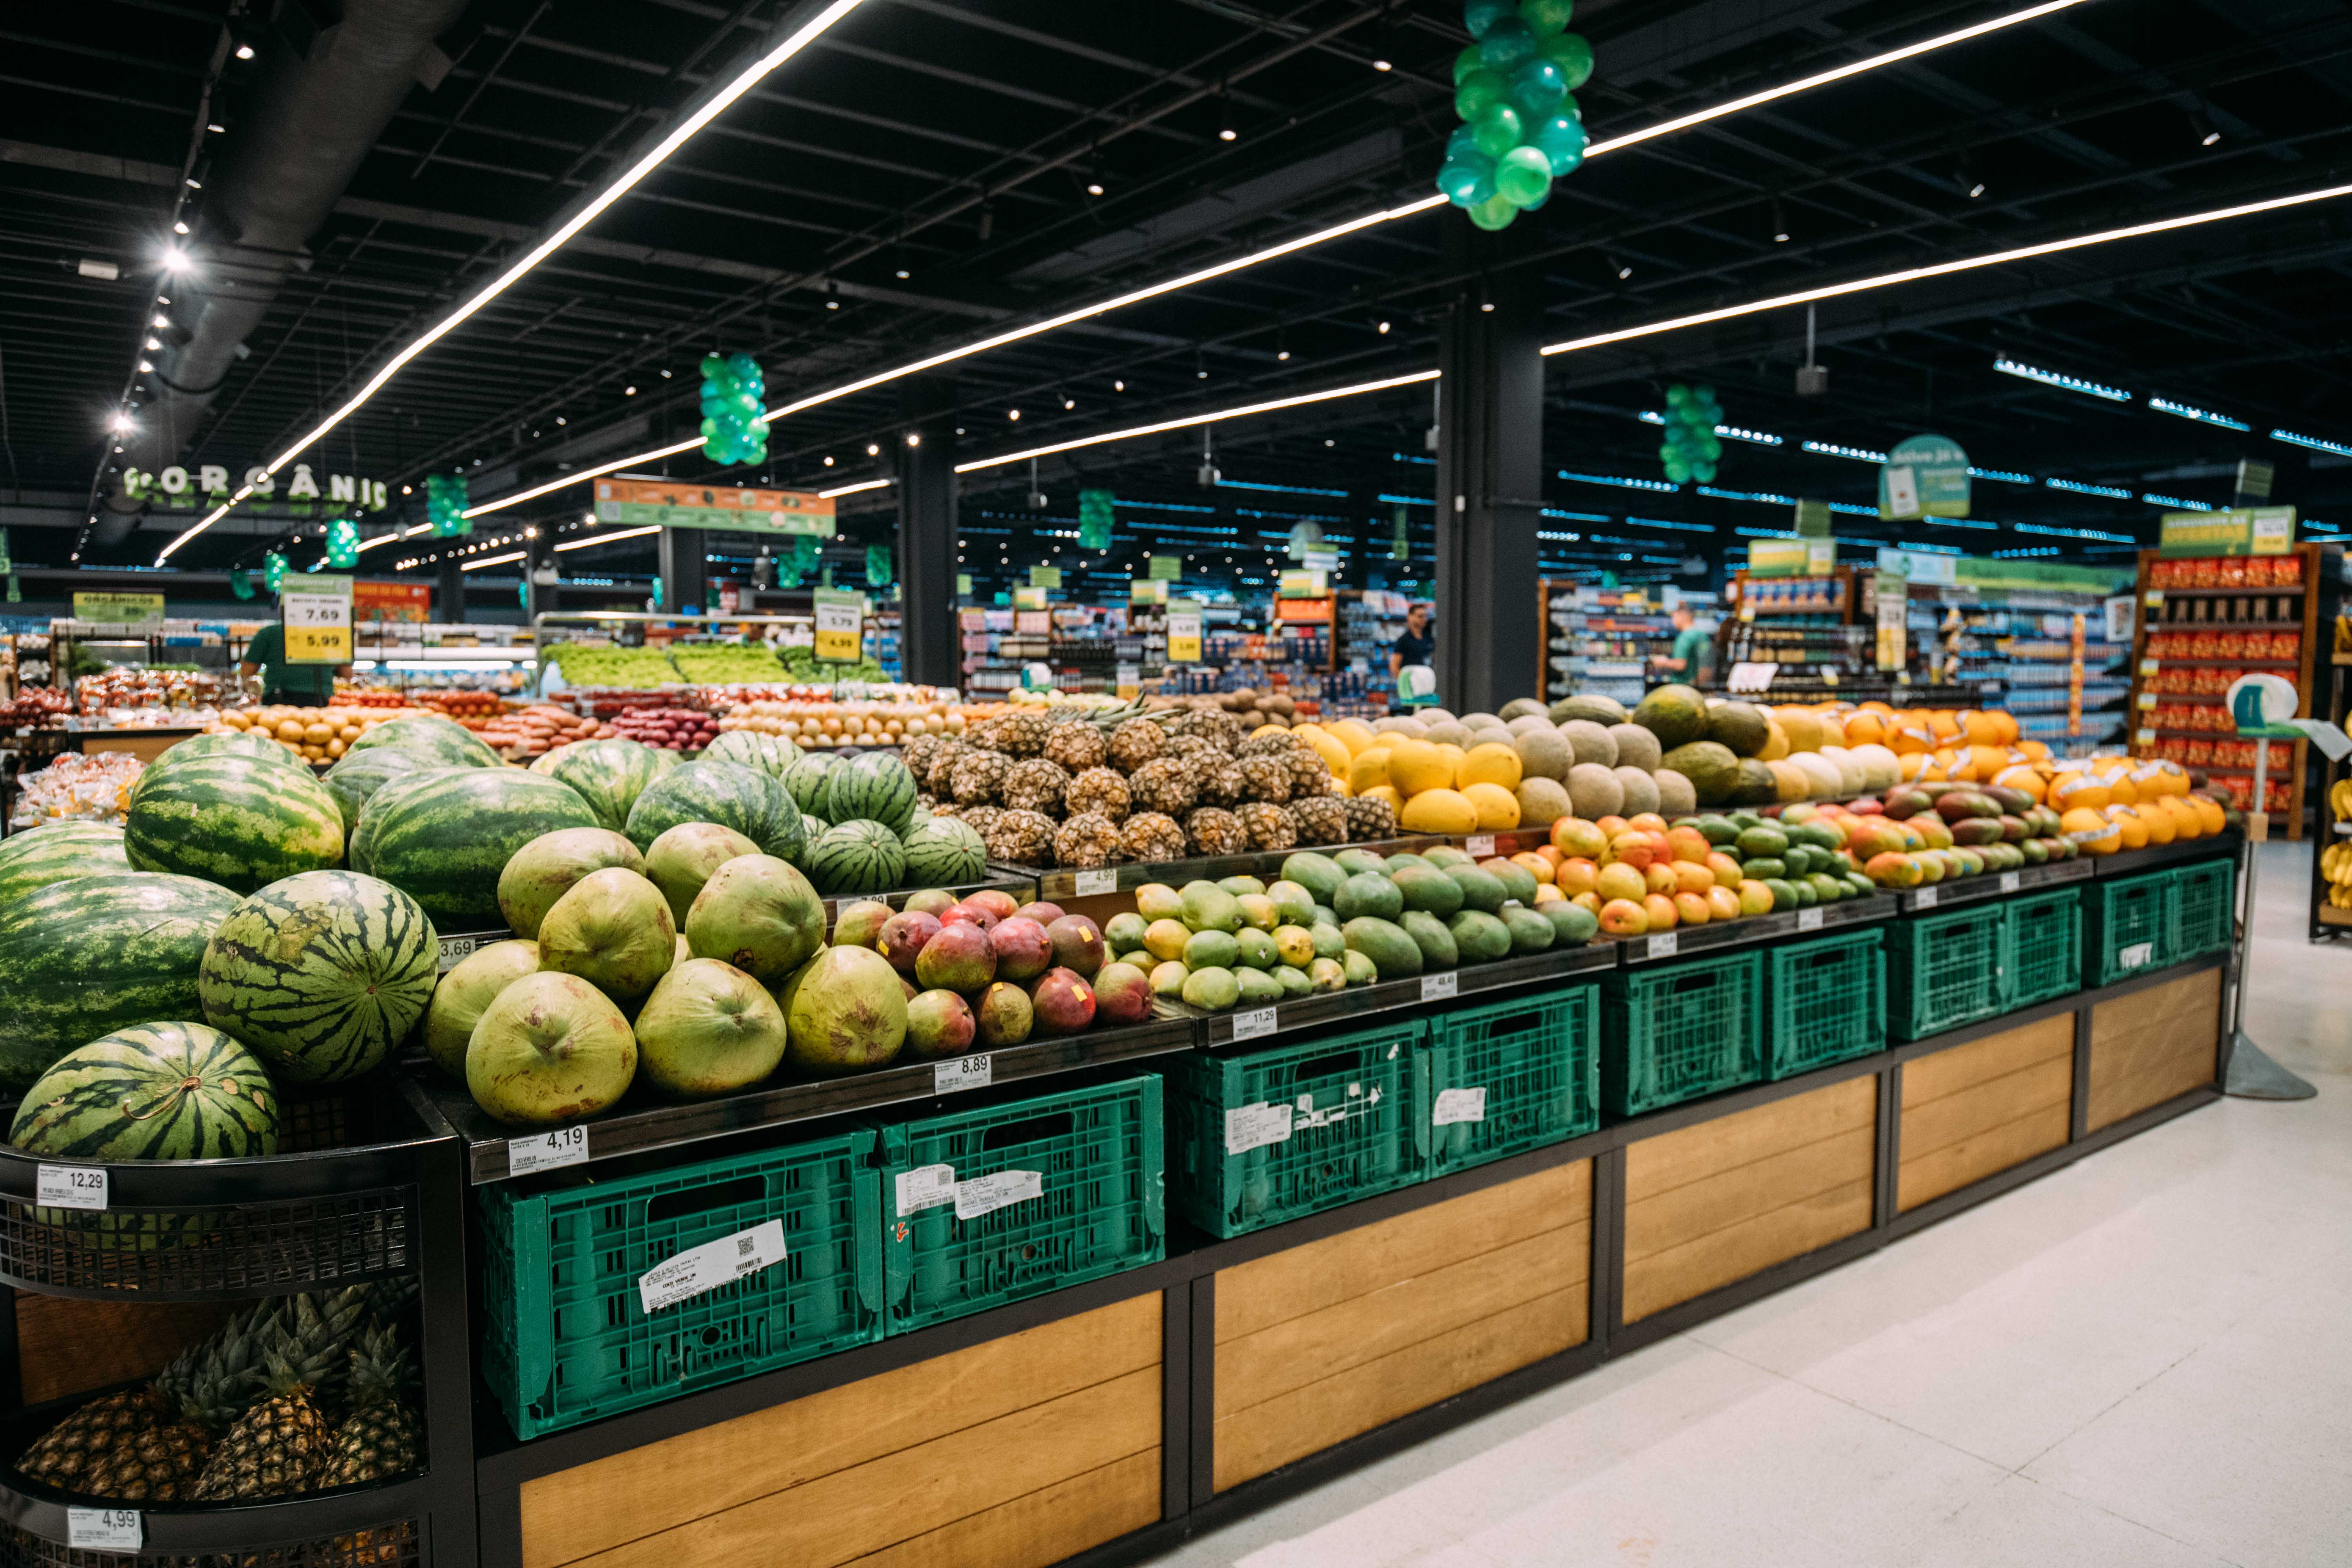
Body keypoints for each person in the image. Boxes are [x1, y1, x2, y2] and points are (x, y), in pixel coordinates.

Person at [238, 622, 347, 708]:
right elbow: (347, 673)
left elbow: (247, 670)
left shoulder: (269, 633)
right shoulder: (331, 634)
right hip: (322, 700)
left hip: (278, 701)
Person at [1651, 606, 1714, 683]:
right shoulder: (1703, 636)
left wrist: (1664, 662)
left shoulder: (1684, 638)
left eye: (1674, 617)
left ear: (1683, 617)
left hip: (1683, 687)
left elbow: (1680, 665)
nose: (1672, 621)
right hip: (1700, 685)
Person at [1388, 601, 1436, 682]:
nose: (1424, 619)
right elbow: (1394, 666)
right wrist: (1405, 683)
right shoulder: (1404, 641)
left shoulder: (1429, 638)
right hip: (1412, 684)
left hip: (1428, 683)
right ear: (1410, 617)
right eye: (1420, 616)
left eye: (1425, 616)